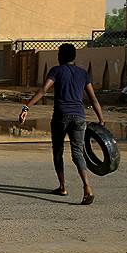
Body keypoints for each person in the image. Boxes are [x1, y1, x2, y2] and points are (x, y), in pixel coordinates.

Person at [20, 43, 105, 205]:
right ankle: (87, 187)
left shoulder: (56, 71)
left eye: (59, 54)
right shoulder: (83, 74)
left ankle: (63, 186)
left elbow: (43, 90)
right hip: (79, 117)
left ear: (61, 56)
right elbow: (93, 99)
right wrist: (101, 119)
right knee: (77, 153)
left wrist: (26, 107)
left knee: (58, 151)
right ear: (74, 57)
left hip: (61, 117)